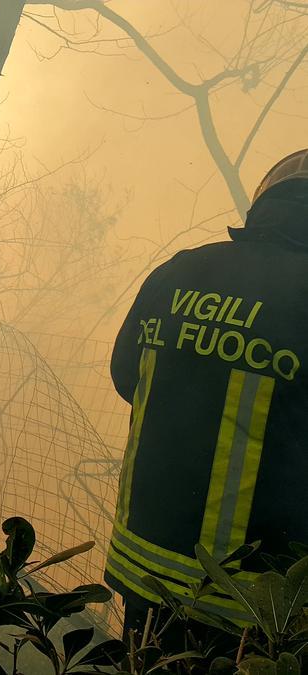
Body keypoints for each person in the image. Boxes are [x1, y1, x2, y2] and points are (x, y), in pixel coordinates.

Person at [104, 149, 308, 643]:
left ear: (262, 204)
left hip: (144, 576)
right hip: (261, 607)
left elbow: (125, 377)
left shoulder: (177, 273)